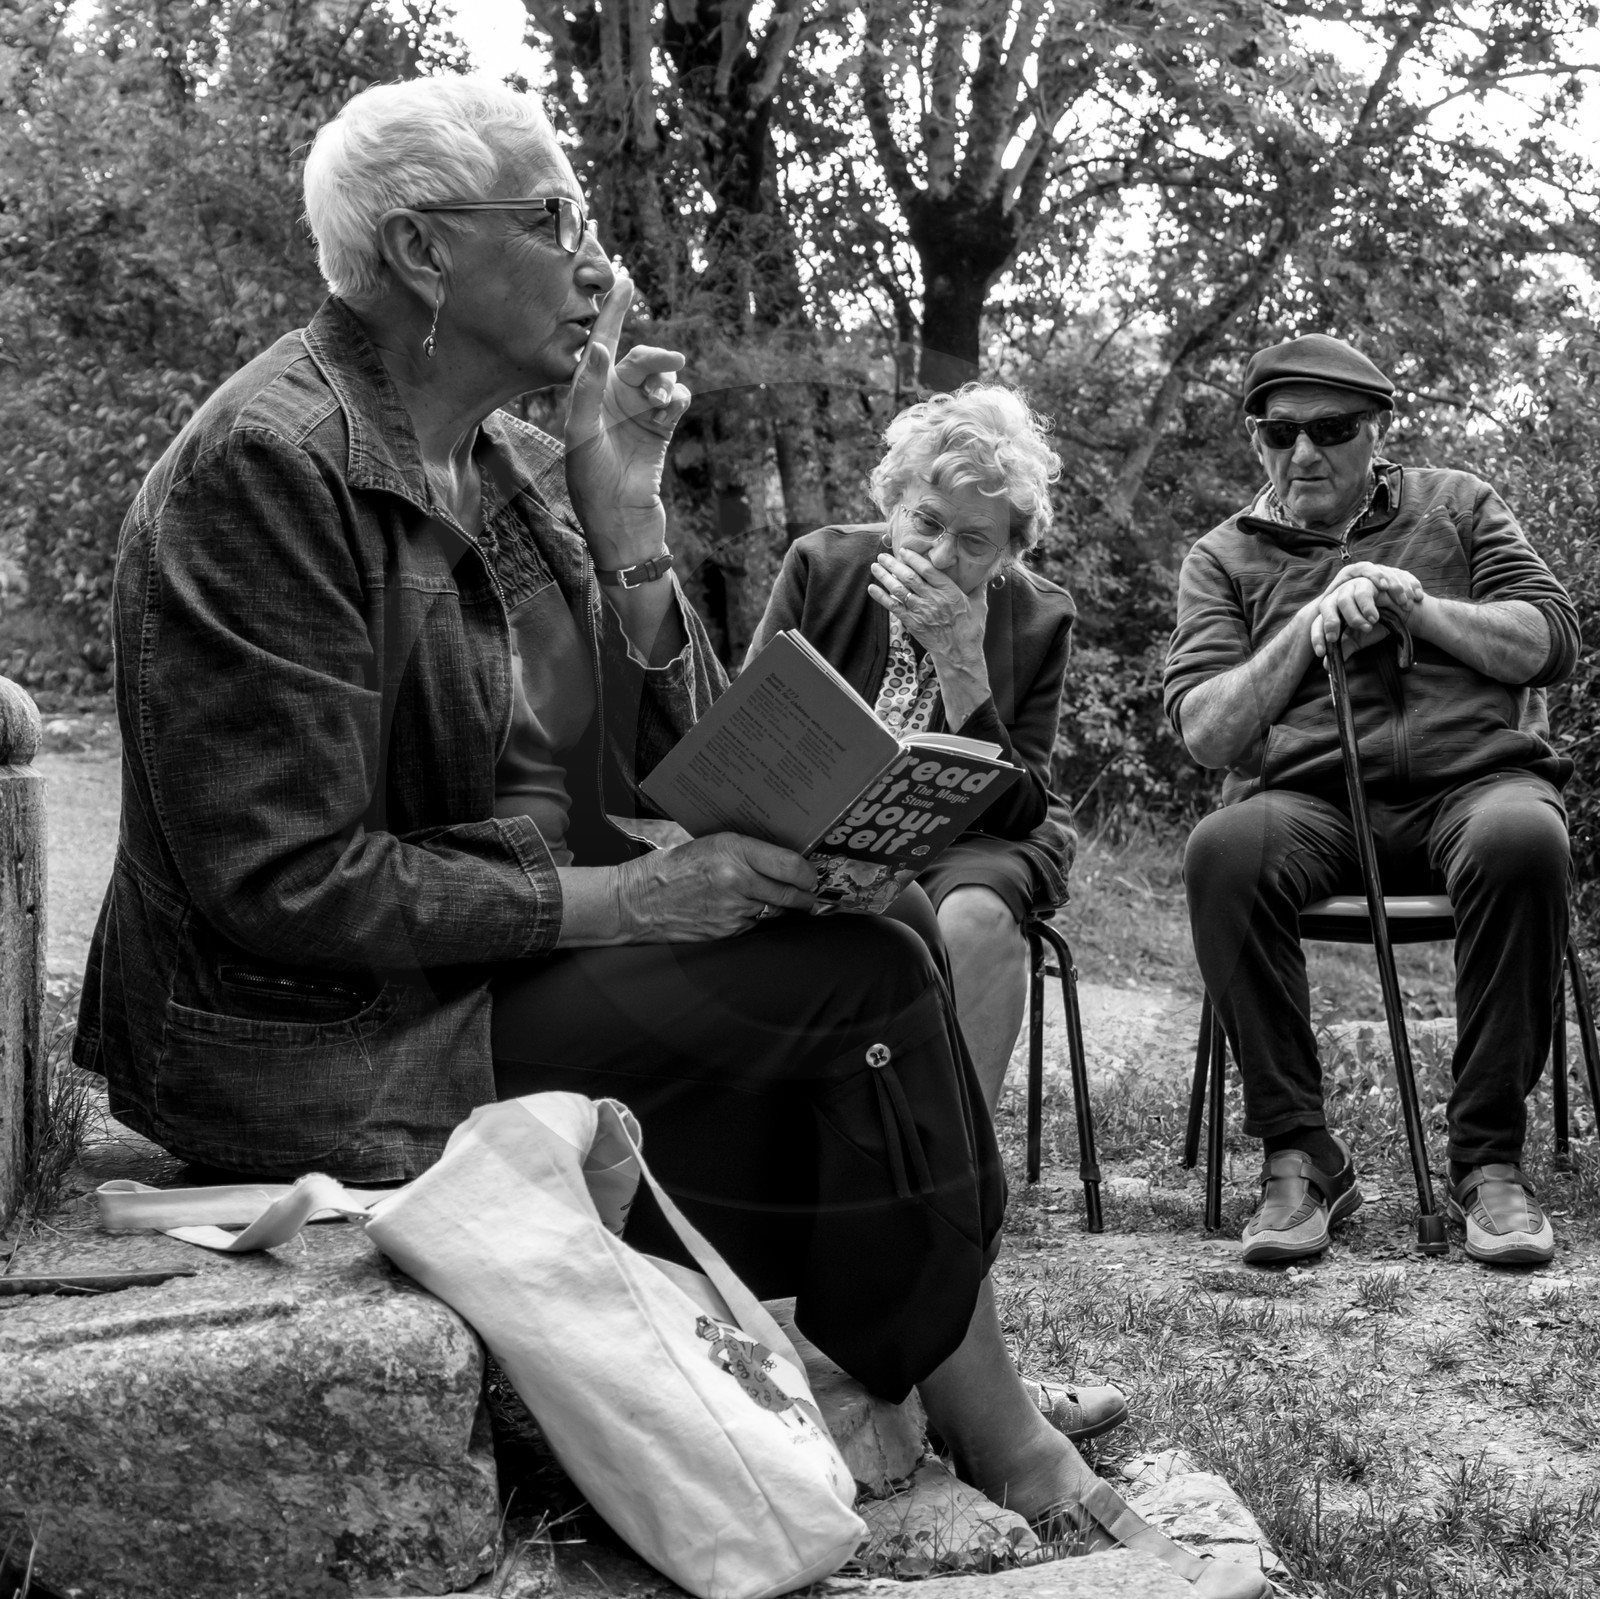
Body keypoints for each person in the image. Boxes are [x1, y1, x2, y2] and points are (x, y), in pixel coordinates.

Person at [72, 76, 1264, 1599]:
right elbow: (283, 883)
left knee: (886, 939)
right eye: (554, 222)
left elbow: (658, 750)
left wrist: (621, 514)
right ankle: (969, 1409)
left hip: (455, 975)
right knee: (867, 984)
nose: (594, 265)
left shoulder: (489, 464)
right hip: (317, 1034)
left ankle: (939, 1391)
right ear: (429, 252)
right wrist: (637, 899)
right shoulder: (273, 466)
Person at [1165, 333, 1580, 1269]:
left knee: (1523, 837)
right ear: (1257, 440)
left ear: (1378, 431)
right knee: (1223, 850)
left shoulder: (1459, 504)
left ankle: (1488, 1158)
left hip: (1474, 784)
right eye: (1279, 433)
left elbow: (1551, 639)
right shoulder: (1224, 555)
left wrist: (1413, 604)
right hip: (1314, 803)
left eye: (1332, 429)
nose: (1303, 452)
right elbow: (1205, 730)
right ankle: (1300, 1153)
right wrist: (1309, 626)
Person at [750, 385, 1077, 1115]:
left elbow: (1021, 804)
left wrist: (963, 661)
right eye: (926, 521)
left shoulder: (1039, 615)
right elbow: (752, 726)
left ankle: (951, 1179)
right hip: (816, 822)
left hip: (974, 833)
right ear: (895, 499)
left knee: (981, 916)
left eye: (974, 542)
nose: (939, 554)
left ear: (1009, 552)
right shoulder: (821, 565)